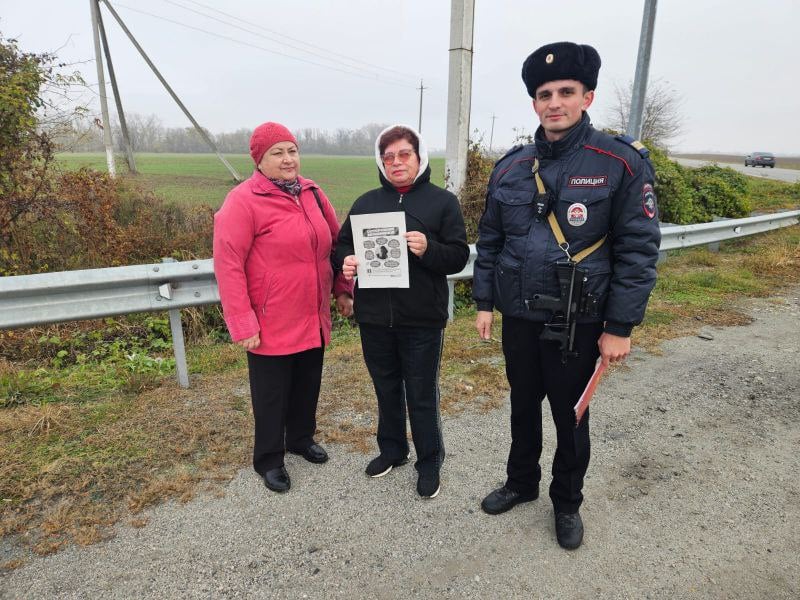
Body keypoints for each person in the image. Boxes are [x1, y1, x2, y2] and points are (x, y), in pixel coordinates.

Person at [473, 42, 661, 549]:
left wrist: (620, 327)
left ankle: (567, 502)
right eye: (544, 94)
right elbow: (490, 241)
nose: (554, 102)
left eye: (566, 92)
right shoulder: (511, 167)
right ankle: (521, 482)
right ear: (534, 103)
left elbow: (638, 251)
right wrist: (484, 302)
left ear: (587, 96)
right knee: (521, 406)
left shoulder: (618, 163)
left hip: (581, 319)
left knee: (570, 416)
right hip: (519, 314)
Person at [213, 121, 353, 494]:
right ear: (259, 160)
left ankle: (301, 439)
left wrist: (342, 289)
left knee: (308, 383)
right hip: (270, 318)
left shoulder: (313, 193)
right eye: (277, 152)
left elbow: (335, 246)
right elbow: (228, 265)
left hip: (312, 313)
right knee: (271, 393)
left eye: (292, 150)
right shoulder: (242, 201)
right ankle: (270, 459)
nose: (288, 159)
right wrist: (242, 322)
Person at [335, 124, 469, 499]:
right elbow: (341, 245)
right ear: (380, 162)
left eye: (403, 154)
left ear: (419, 156)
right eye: (388, 156)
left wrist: (429, 249)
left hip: (422, 319)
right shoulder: (365, 204)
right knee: (386, 389)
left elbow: (458, 256)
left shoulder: (443, 203)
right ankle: (392, 450)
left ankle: (429, 461)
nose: (396, 162)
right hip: (375, 318)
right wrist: (345, 261)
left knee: (422, 393)